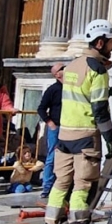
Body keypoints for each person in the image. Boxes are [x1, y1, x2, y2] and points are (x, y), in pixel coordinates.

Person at [42, 20, 112, 224]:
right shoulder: (97, 70)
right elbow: (100, 109)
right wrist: (109, 138)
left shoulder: (72, 66)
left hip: (65, 135)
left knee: (61, 184)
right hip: (85, 137)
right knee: (83, 188)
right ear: (101, 41)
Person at [37, 62, 64, 202]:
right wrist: (50, 123)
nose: (66, 70)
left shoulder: (72, 88)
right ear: (57, 74)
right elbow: (41, 108)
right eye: (62, 68)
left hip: (69, 127)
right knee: (52, 157)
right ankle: (47, 187)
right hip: (56, 127)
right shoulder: (52, 90)